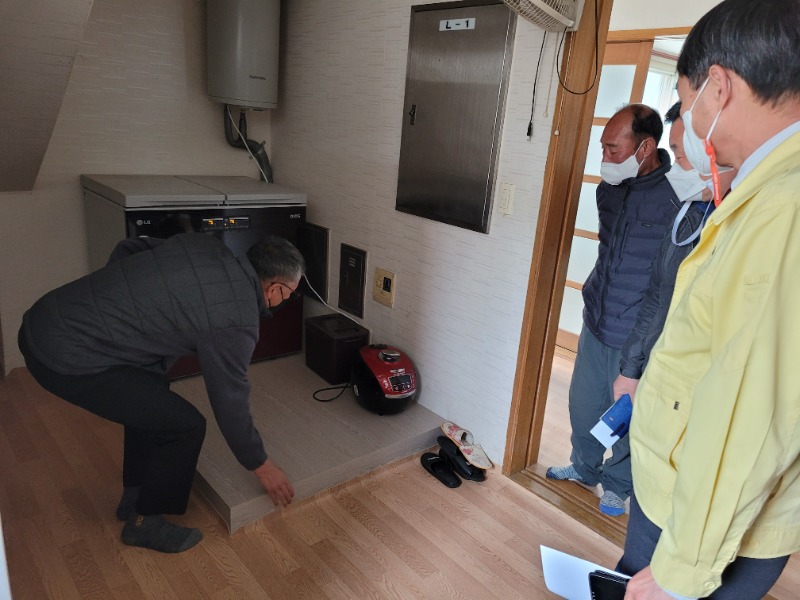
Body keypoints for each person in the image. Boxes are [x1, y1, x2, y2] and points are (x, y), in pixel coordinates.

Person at [618, 0, 800, 598]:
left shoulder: (783, 209)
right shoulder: (766, 187)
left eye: (686, 97)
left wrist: (680, 573)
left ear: (718, 87)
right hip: (690, 495)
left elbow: (750, 414)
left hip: (699, 525)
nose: (691, 125)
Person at [18, 233, 304, 553]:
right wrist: (262, 465)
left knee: (152, 392)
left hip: (43, 318)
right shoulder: (237, 321)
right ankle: (145, 524)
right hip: (63, 357)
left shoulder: (205, 246)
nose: (287, 299)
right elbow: (230, 401)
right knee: (185, 426)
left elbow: (129, 246)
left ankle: (135, 495)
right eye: (290, 293)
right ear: (275, 289)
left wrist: (123, 306)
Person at [547, 104, 681, 516]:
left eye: (613, 149)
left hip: (637, 333)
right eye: (602, 148)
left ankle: (618, 485)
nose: (605, 157)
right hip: (597, 319)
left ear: (645, 148)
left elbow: (669, 279)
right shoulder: (609, 189)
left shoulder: (678, 197)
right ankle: (584, 467)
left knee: (625, 418)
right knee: (584, 405)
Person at [612, 102, 737, 404]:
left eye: (680, 156)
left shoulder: (750, 222)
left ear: (710, 153)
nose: (675, 169)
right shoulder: (689, 215)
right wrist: (631, 369)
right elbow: (656, 295)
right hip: (659, 372)